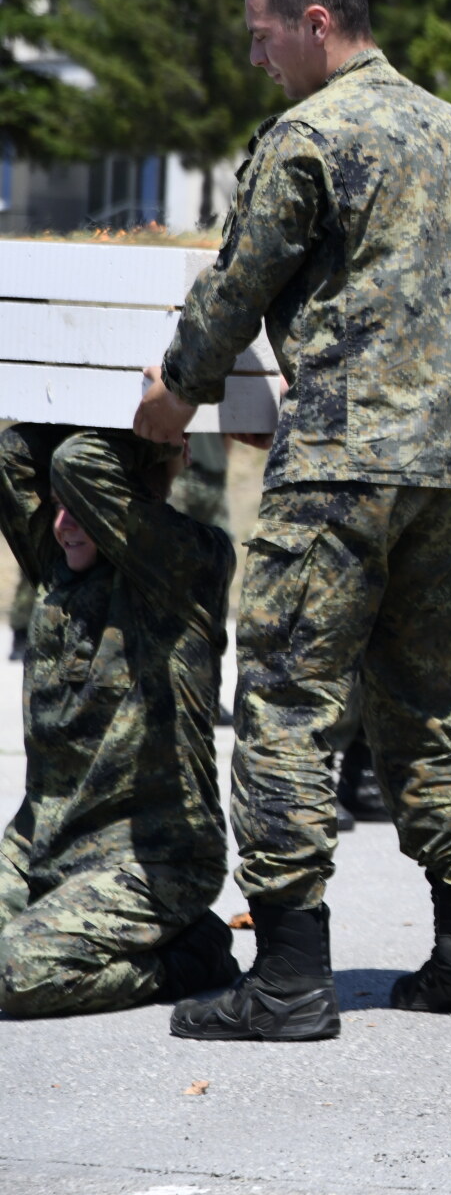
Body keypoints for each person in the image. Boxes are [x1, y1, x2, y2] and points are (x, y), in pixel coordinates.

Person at [136, 0, 451, 1042]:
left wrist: (178, 390)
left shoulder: (310, 134)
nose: (256, 58)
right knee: (424, 708)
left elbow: (241, 279)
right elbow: (428, 288)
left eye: (261, 36)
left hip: (341, 459)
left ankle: (290, 976)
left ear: (314, 23)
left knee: (289, 708)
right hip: (448, 463)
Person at [0, 425, 239, 1016]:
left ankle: (187, 957)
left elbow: (81, 461)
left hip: (151, 860)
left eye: (83, 508)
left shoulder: (185, 572)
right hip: (43, 844)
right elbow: (12, 456)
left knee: (14, 975)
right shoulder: (59, 570)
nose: (64, 524)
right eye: (57, 508)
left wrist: (157, 435)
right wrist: (86, 397)